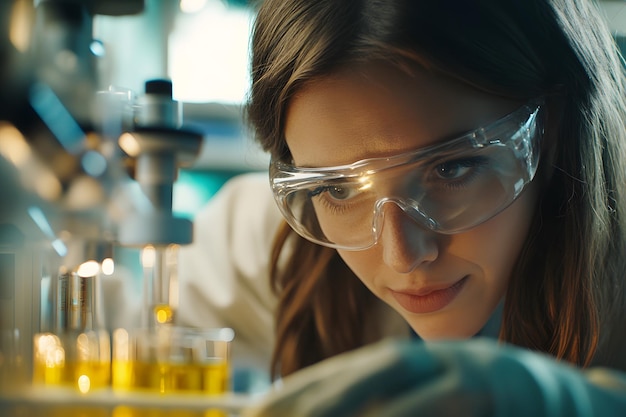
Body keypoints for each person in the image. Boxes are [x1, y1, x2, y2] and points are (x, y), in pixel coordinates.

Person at [181, 0, 626, 414]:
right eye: (338, 189)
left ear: (555, 128)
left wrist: (581, 403)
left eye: (451, 169)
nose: (403, 255)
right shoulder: (265, 241)